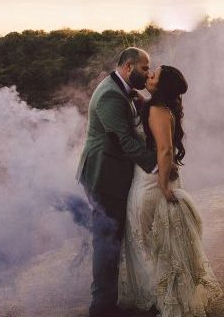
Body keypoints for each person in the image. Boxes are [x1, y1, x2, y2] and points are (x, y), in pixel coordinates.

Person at [118, 65, 222, 317]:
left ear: (161, 86)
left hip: (153, 183)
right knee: (162, 245)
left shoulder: (156, 110)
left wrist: (164, 186)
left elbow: (164, 150)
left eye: (154, 75)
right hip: (156, 179)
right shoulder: (161, 108)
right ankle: (165, 297)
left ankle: (168, 301)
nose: (149, 75)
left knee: (153, 245)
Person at [76, 47, 157, 317]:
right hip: (103, 177)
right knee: (107, 240)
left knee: (112, 238)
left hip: (112, 174)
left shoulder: (121, 89)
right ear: (128, 67)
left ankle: (109, 301)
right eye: (144, 68)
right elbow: (123, 140)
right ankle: (101, 308)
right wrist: (156, 165)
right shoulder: (111, 94)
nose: (147, 73)